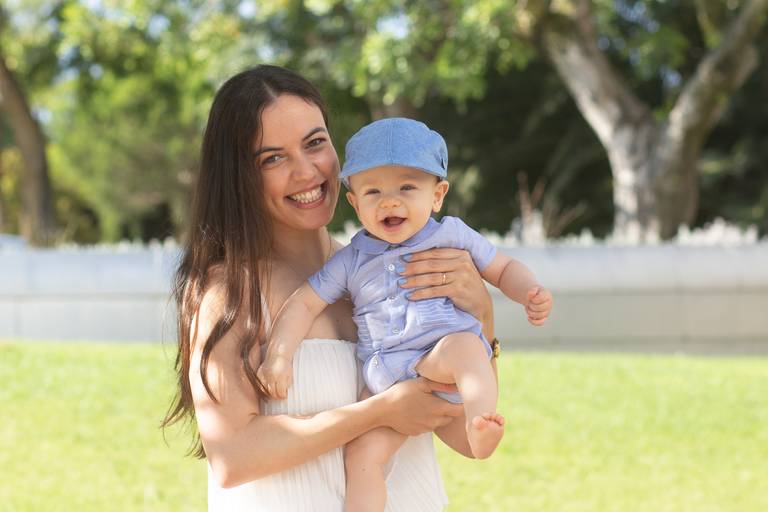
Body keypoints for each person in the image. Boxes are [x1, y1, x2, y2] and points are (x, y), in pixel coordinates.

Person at [162, 65, 509, 511]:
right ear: (240, 177)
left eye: (315, 143)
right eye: (273, 158)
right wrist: (378, 412)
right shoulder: (230, 293)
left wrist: (482, 320)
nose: (307, 172)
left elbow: (464, 433)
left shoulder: (387, 270)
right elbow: (232, 457)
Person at [258, 118, 553, 511]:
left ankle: (481, 424)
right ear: (354, 201)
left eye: (407, 188)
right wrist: (279, 356)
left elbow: (501, 268)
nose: (390, 201)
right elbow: (304, 302)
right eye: (374, 191)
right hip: (382, 375)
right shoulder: (351, 259)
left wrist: (529, 290)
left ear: (438, 194)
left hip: (438, 358)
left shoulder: (452, 234)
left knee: (466, 349)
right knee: (362, 457)